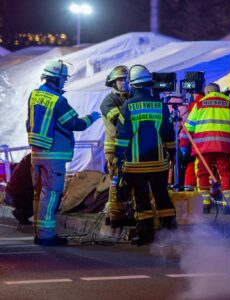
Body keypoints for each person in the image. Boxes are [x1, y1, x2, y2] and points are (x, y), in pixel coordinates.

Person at [27, 60, 100, 246]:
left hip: (36, 154)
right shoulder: (58, 101)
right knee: (51, 195)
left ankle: (39, 233)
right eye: (64, 80)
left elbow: (29, 122)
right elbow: (75, 123)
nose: (64, 83)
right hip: (54, 156)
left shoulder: (34, 95)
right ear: (57, 79)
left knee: (40, 194)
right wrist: (92, 117)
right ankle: (46, 236)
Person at [115, 64, 176, 245]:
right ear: (149, 84)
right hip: (159, 164)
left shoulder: (128, 106)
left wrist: (118, 159)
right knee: (162, 196)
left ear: (132, 85)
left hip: (136, 165)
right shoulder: (160, 105)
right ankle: (171, 234)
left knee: (141, 199)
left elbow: (122, 137)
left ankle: (146, 235)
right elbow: (168, 133)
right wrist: (172, 153)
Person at [185, 83, 230, 214]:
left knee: (202, 174)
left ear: (207, 92)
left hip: (203, 146)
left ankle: (205, 204)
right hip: (224, 145)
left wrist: (184, 144)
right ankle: (228, 206)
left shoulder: (199, 104)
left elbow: (189, 127)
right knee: (226, 173)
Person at [100, 65, 133, 228]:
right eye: (120, 80)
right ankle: (114, 216)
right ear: (113, 83)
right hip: (114, 148)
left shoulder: (131, 97)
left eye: (126, 79)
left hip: (131, 147)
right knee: (116, 180)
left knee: (130, 180)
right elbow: (120, 121)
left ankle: (124, 212)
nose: (124, 82)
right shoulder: (109, 101)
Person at [4, 154, 34, 225]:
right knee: (41, 203)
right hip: (16, 196)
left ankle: (22, 213)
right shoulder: (35, 161)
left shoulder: (28, 158)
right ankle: (21, 213)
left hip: (10, 193)